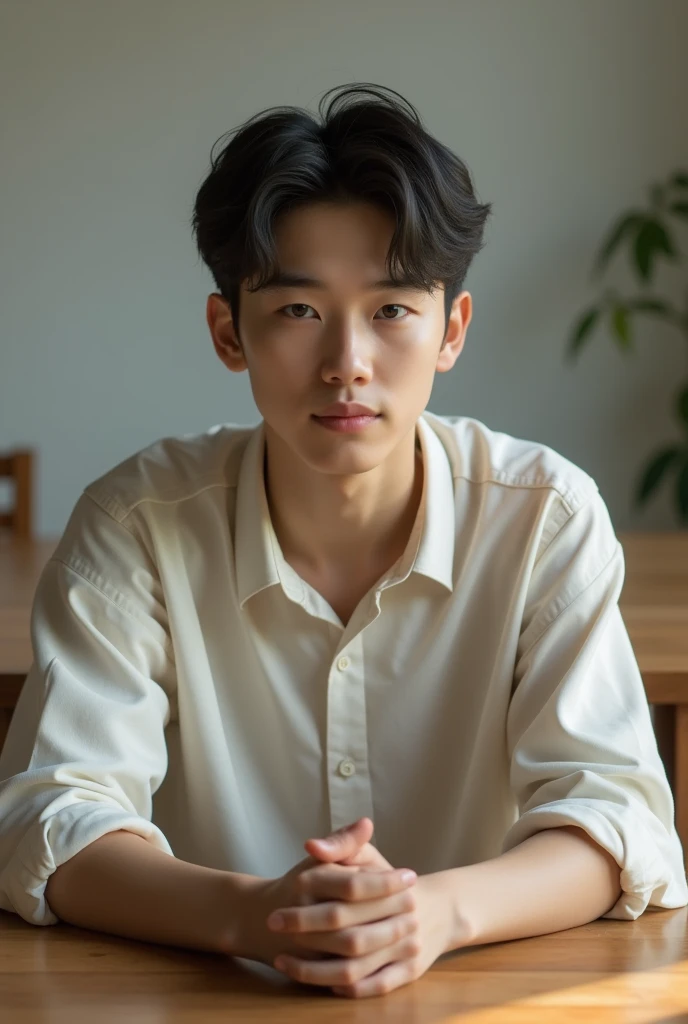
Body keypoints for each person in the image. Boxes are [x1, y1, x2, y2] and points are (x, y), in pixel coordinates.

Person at [0, 82, 686, 1001]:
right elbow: (52, 817)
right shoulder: (135, 524)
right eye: (298, 311)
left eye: (393, 310)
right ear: (227, 332)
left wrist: (433, 914)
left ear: (453, 330)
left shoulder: (543, 516)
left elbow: (617, 818)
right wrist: (259, 917)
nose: (347, 363)